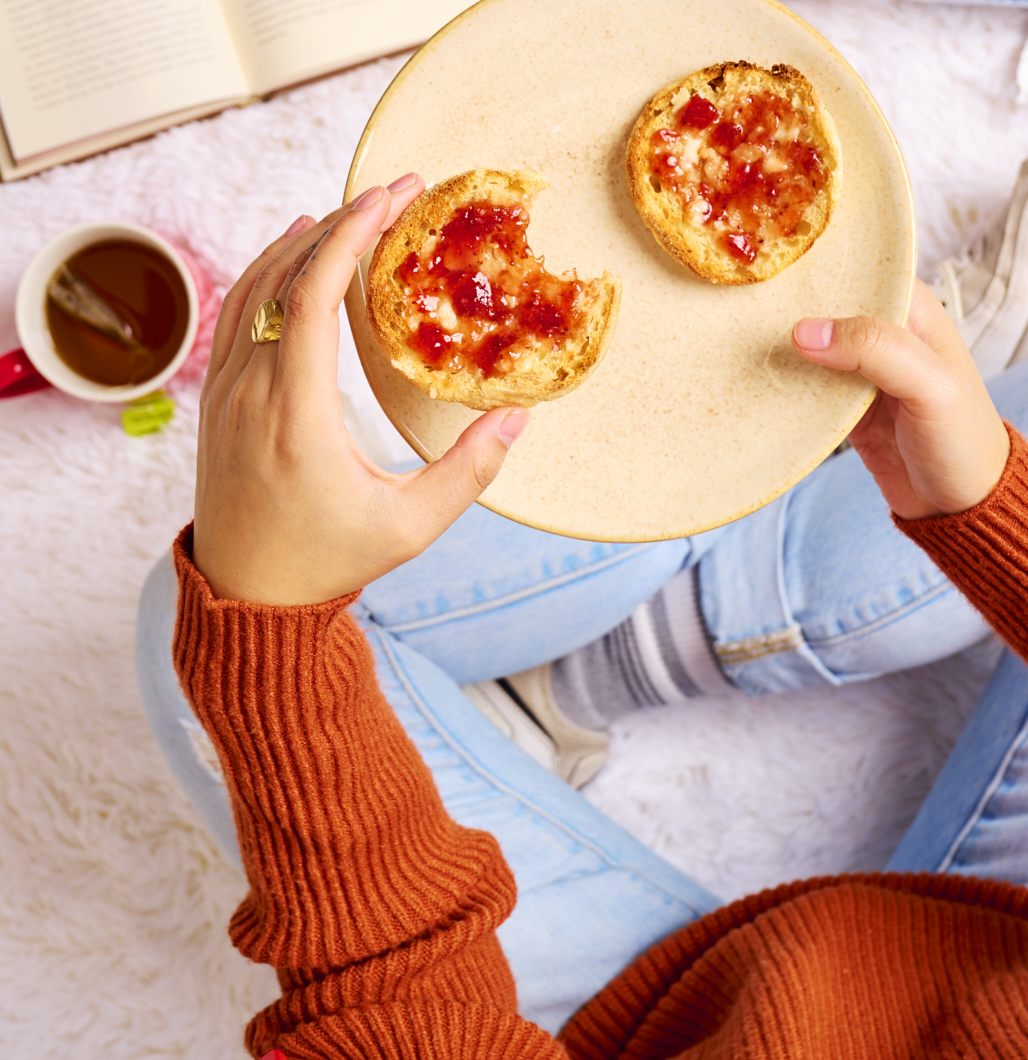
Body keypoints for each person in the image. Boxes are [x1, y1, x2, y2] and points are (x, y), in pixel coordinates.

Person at [137, 172, 1028, 1058]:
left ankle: (774, 451)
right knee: (965, 431)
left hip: (612, 1024)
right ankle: (771, 478)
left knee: (206, 610)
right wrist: (992, 509)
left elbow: (387, 1008)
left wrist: (274, 633)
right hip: (979, 949)